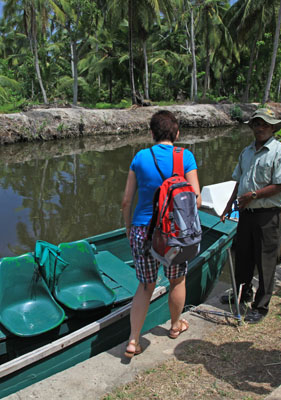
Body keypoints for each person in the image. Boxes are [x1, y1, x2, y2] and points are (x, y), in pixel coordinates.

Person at [120, 110, 201, 358]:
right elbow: (195, 196)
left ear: (152, 133)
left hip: (143, 230)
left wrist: (128, 228)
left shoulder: (140, 157)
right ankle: (175, 326)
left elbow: (126, 201)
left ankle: (133, 341)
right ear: (176, 133)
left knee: (145, 285)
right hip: (173, 233)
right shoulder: (185, 156)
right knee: (177, 280)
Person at [219, 108, 281, 324]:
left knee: (265, 261)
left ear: (272, 128)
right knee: (243, 257)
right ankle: (242, 294)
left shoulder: (280, 152)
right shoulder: (246, 152)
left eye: (265, 125)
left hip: (267, 215)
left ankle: (260, 306)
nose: (260, 128)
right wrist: (228, 205)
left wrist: (253, 195)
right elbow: (239, 182)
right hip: (246, 213)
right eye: (256, 124)